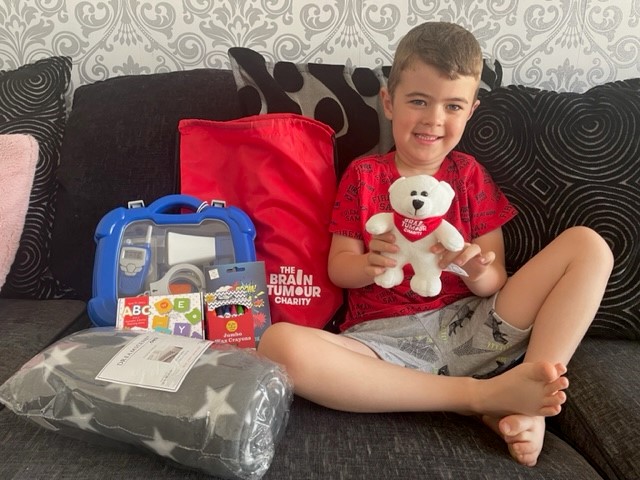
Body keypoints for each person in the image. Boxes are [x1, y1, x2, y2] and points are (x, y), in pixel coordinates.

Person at [257, 21, 613, 467]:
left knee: (589, 245)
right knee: (277, 344)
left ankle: (530, 389)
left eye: (452, 106)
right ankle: (480, 396)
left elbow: (494, 278)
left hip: (473, 325)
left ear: (470, 112)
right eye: (418, 101)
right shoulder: (365, 176)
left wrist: (476, 267)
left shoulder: (469, 176)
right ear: (389, 102)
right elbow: (338, 268)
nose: (433, 119)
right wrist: (368, 262)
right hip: (385, 347)